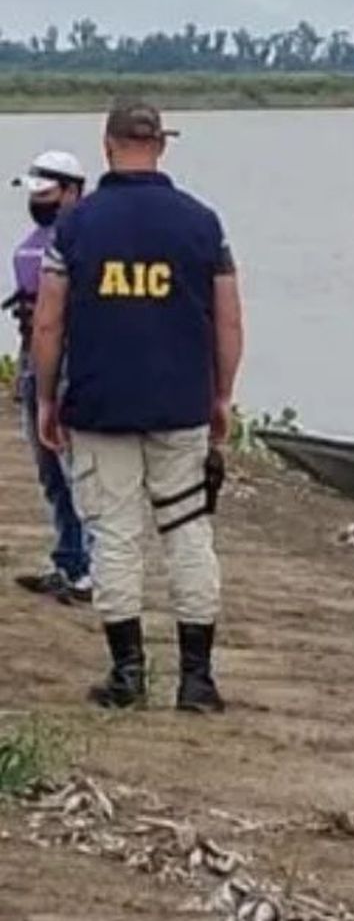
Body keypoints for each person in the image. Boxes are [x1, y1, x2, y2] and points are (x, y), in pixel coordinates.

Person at [31, 99, 244, 712]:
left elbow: (48, 323)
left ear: (107, 146)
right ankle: (197, 680)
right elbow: (228, 319)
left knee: (116, 537)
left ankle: (127, 675)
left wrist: (47, 397)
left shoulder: (76, 227)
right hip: (180, 403)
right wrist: (222, 394)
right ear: (161, 146)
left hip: (100, 403)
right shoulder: (203, 224)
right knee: (187, 534)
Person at [6, 151, 92, 603]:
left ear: (72, 191)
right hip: (32, 358)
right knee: (50, 472)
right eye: (34, 193)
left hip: (72, 361)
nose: (38, 201)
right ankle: (69, 559)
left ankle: (94, 571)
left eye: (47, 192)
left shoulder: (89, 240)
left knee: (76, 468)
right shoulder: (32, 243)